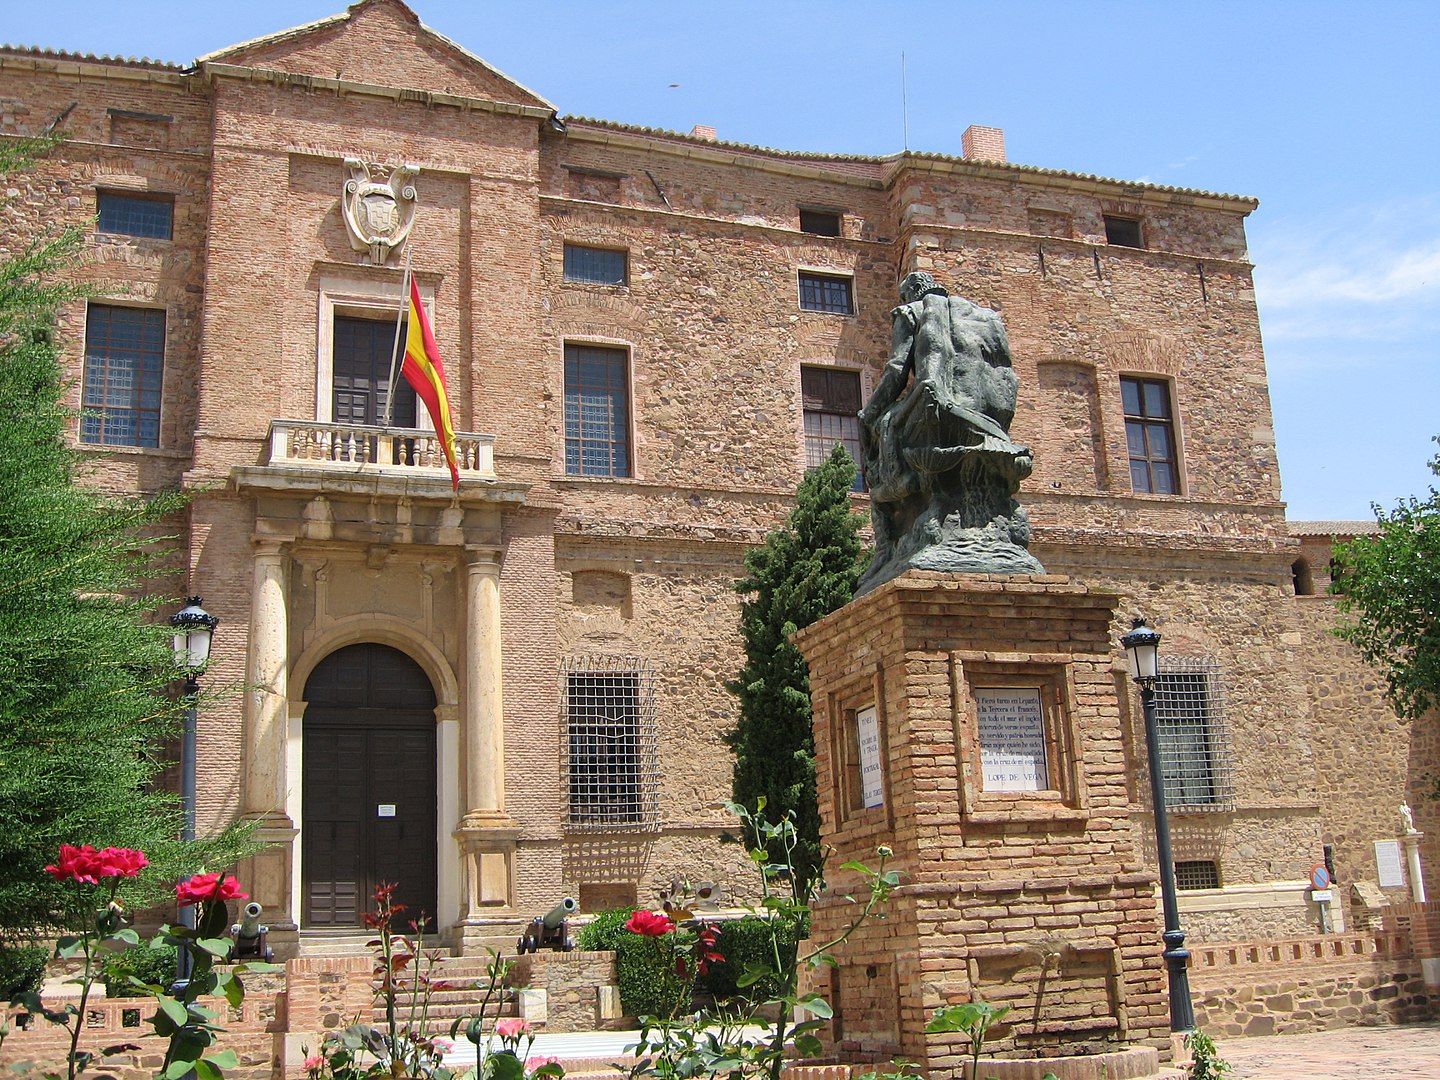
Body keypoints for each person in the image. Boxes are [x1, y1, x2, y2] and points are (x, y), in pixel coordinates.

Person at [857, 272, 1033, 580]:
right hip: (991, 420)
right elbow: (1005, 373)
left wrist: (868, 414)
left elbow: (898, 370)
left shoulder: (912, 311)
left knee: (883, 430)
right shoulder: (989, 319)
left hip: (940, 412)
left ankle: (886, 547)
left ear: (909, 294)